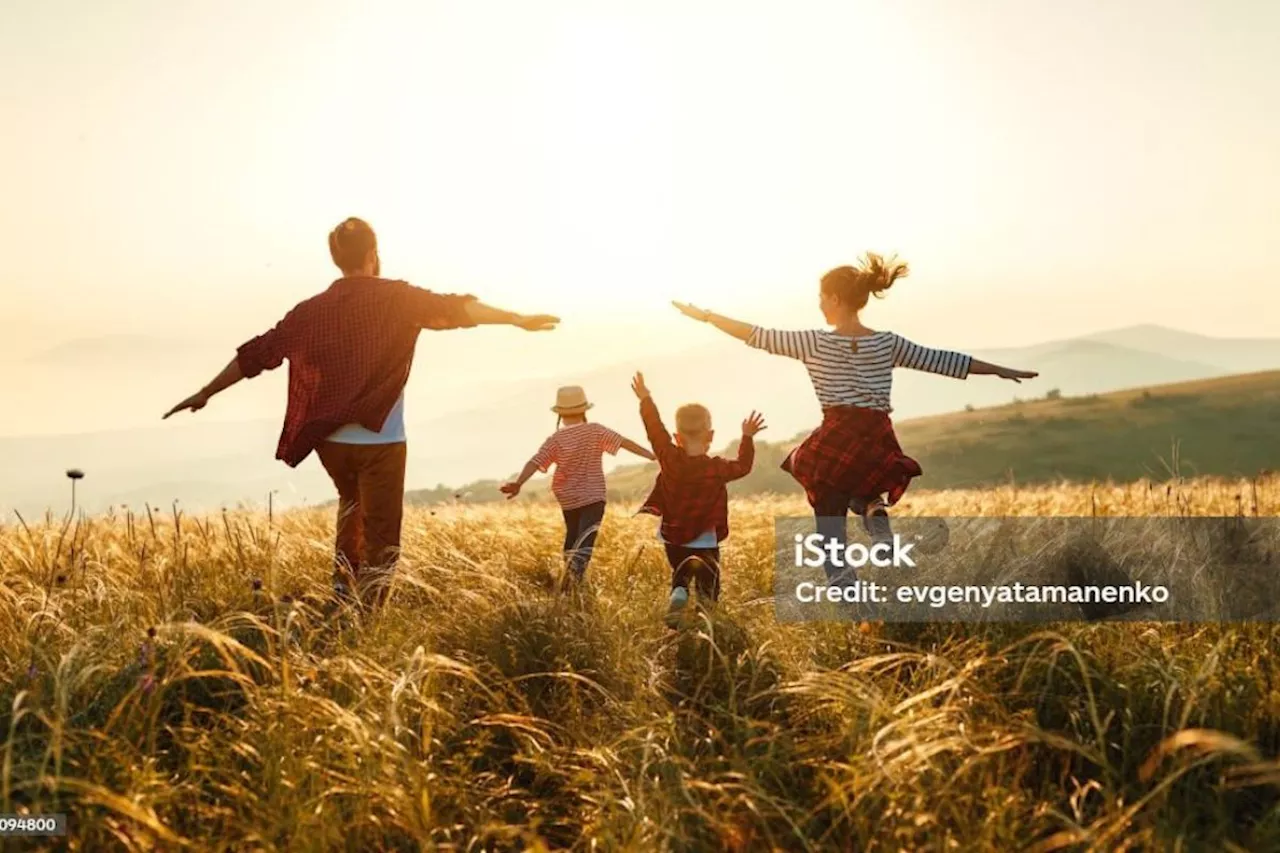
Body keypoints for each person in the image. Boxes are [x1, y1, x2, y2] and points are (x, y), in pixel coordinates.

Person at [163, 217, 559, 608]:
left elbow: (258, 354)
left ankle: (342, 591)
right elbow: (456, 309)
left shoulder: (309, 311)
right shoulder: (398, 298)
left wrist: (205, 392)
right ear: (373, 254)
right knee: (382, 533)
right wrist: (515, 319)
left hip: (330, 442)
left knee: (350, 506)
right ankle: (368, 614)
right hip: (381, 441)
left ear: (337, 258)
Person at [671, 253, 1036, 586]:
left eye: (821, 297)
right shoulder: (888, 343)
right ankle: (872, 507)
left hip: (836, 434)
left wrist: (707, 317)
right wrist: (999, 370)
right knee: (858, 483)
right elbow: (943, 360)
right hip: (876, 435)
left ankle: (850, 593)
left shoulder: (814, 342)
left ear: (834, 298)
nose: (818, 304)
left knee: (827, 525)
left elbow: (756, 335)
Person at [630, 372, 765, 628]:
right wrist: (747, 437)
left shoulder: (669, 457)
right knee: (708, 582)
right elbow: (743, 466)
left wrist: (646, 399)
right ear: (710, 436)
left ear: (677, 437)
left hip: (673, 533)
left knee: (680, 569)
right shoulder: (717, 468)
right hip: (705, 536)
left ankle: (679, 590)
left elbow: (654, 430)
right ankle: (705, 621)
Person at [500, 385, 655, 585]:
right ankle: (574, 581)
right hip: (593, 496)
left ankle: (568, 578)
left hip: (568, 498)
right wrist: (652, 455)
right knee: (585, 540)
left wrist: (519, 483)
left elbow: (535, 461)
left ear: (560, 414)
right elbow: (623, 442)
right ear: (584, 409)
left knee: (572, 536)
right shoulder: (595, 430)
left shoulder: (556, 439)